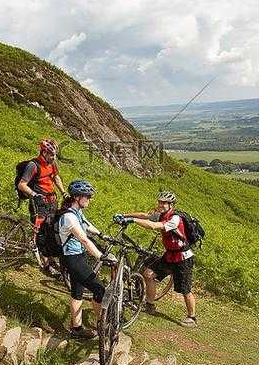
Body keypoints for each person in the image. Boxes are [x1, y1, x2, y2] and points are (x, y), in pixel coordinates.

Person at [113, 191, 197, 327]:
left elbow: (154, 226)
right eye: (160, 202)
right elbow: (145, 215)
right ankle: (150, 305)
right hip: (169, 255)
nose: (161, 205)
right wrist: (124, 215)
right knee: (148, 274)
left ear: (171, 205)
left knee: (185, 289)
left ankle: (192, 317)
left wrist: (132, 220)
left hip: (183, 258)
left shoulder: (175, 219)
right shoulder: (160, 214)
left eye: (164, 203)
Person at [58, 179, 117, 339]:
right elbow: (83, 239)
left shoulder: (77, 212)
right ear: (78, 197)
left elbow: (86, 224)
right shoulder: (69, 217)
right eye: (87, 196)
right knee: (99, 290)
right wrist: (101, 256)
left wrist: (100, 234)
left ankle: (76, 329)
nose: (89, 199)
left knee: (77, 292)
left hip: (77, 256)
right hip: (73, 259)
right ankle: (102, 325)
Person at [18, 139, 68, 275]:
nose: (53, 157)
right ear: (44, 152)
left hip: (51, 201)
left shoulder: (52, 163)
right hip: (39, 202)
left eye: (55, 155)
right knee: (41, 234)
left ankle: (50, 259)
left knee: (51, 231)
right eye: (51, 155)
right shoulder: (33, 165)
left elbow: (56, 178)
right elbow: (22, 185)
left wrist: (63, 192)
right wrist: (34, 194)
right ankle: (47, 264)